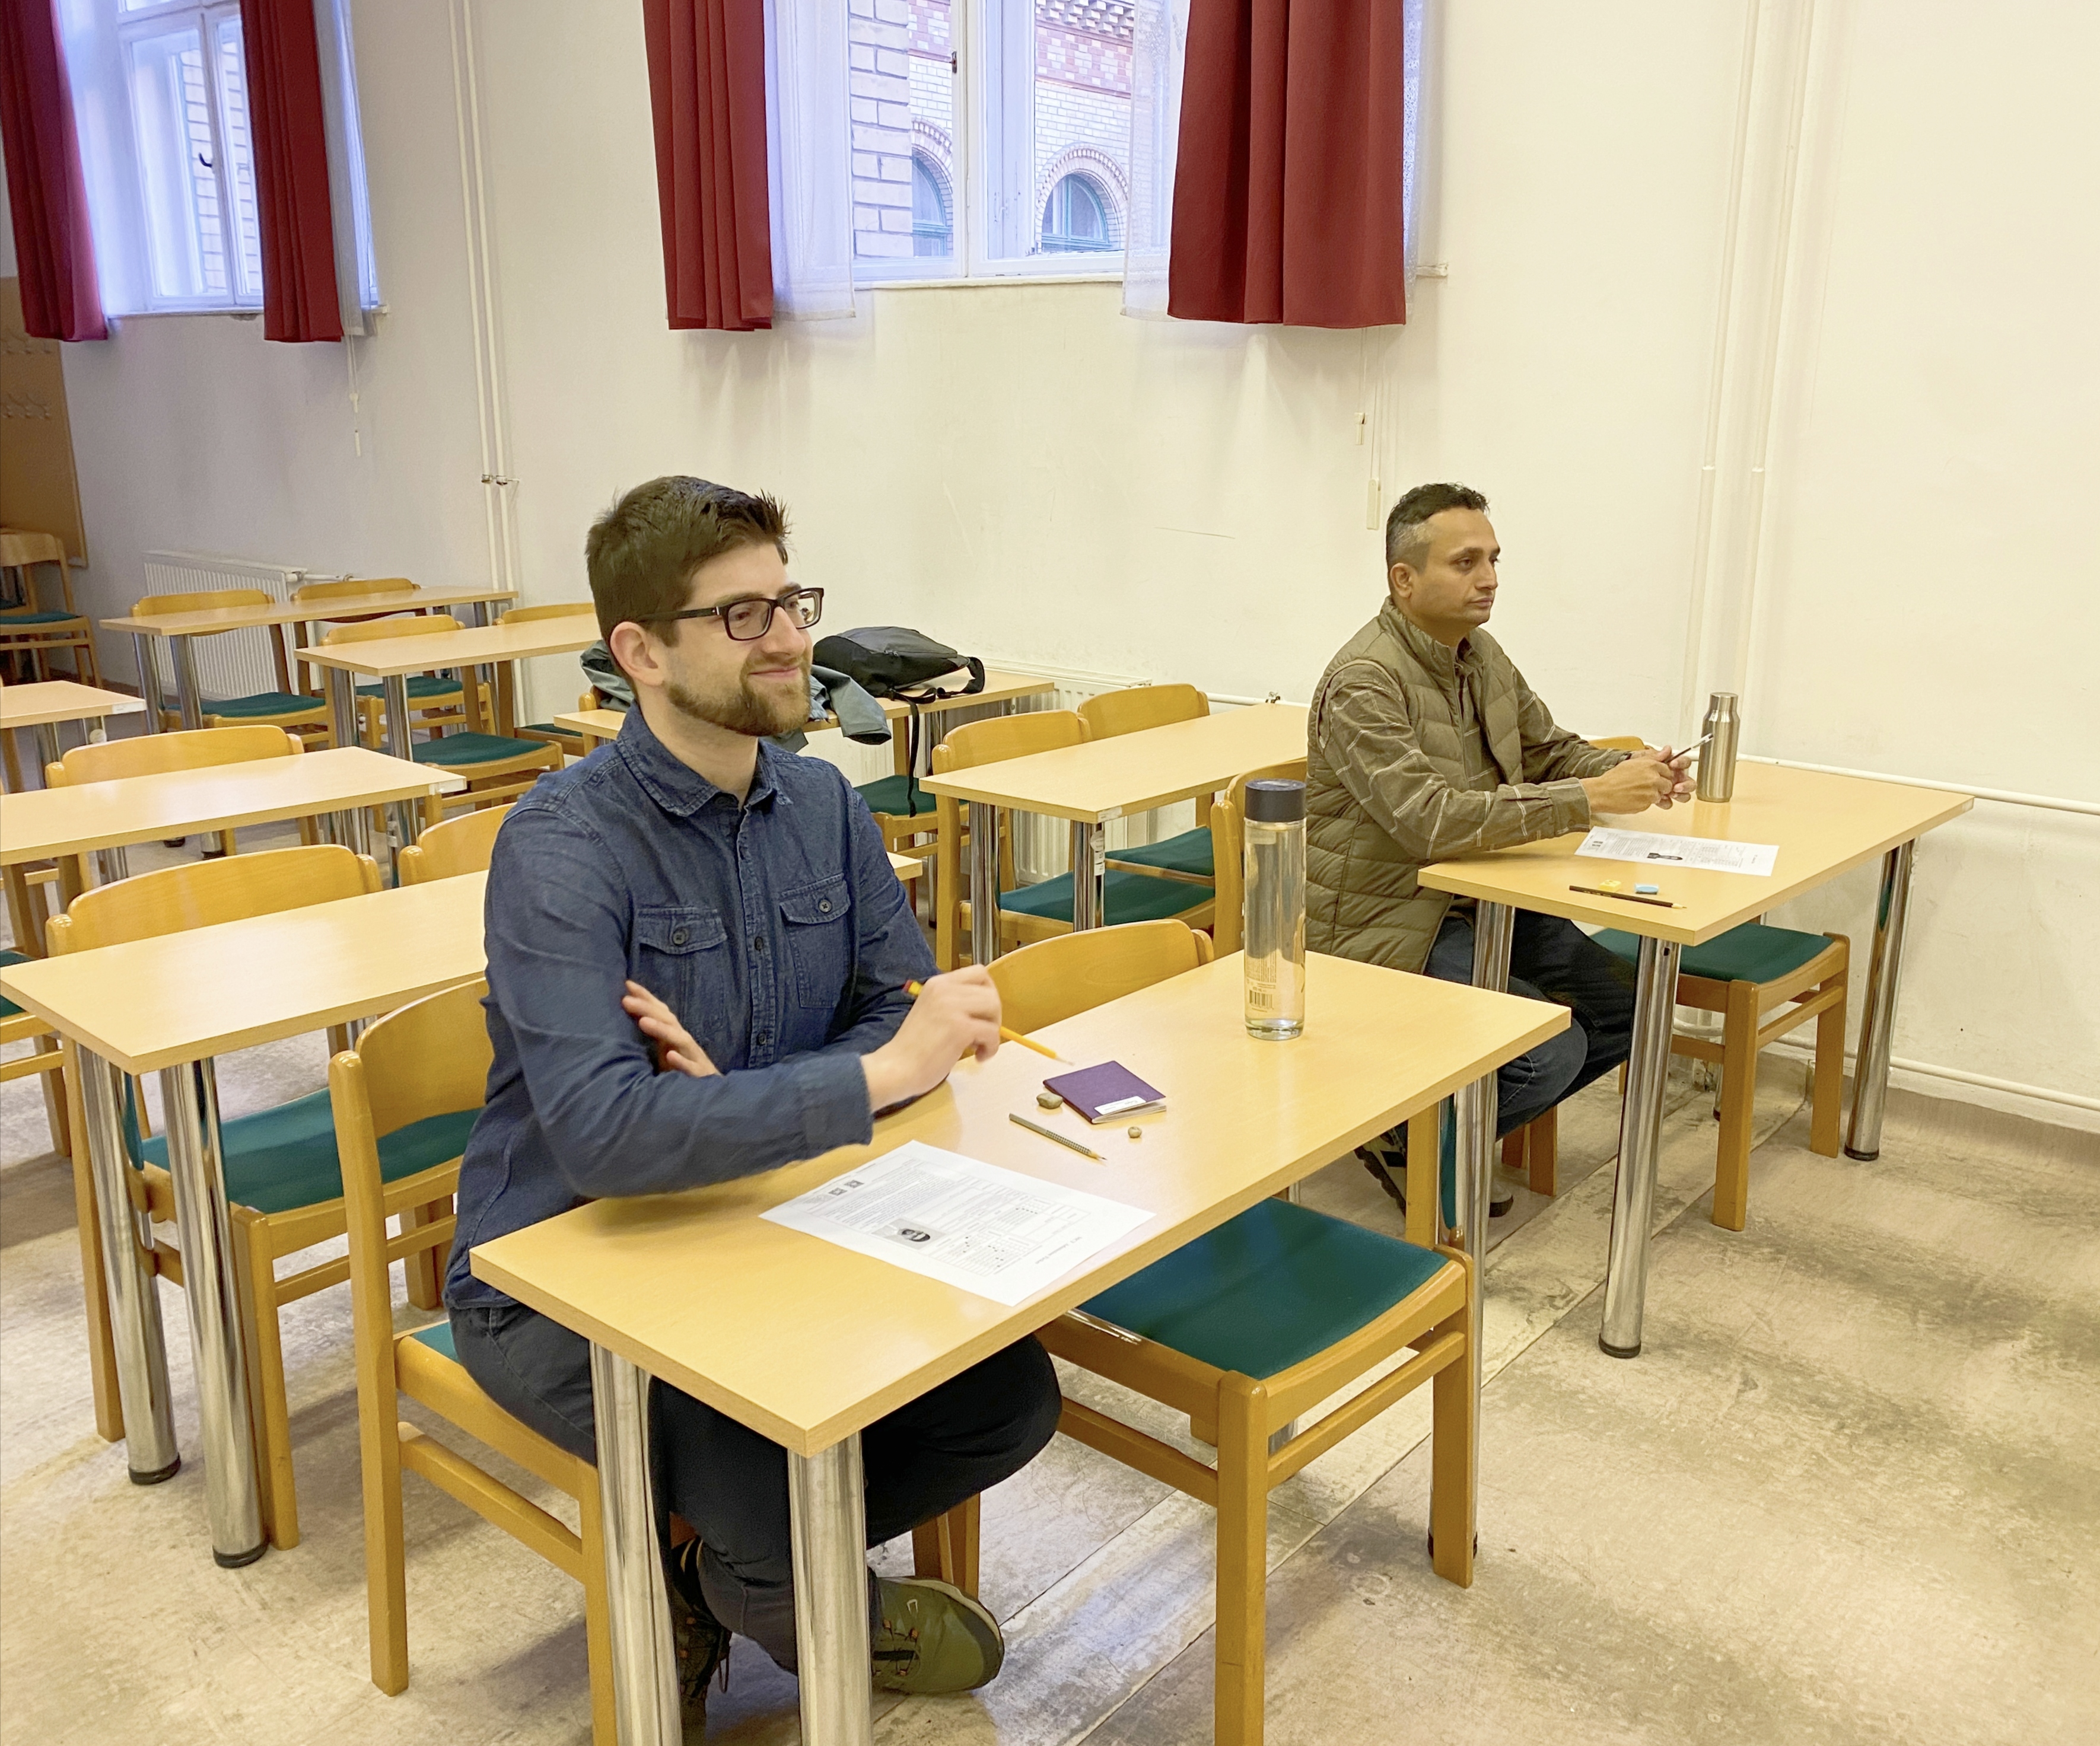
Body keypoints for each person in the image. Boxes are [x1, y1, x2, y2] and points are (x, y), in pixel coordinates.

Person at [443, 476, 1061, 1723]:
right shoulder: (562, 846)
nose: (788, 638)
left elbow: (899, 1006)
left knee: (1009, 1399)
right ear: (641, 653)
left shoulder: (821, 802)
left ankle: (714, 1573)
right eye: (742, 615)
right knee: (773, 1483)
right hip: (564, 1267)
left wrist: (743, 1101)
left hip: (764, 1211)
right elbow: (607, 1139)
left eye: (790, 601)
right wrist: (867, 1079)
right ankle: (784, 1582)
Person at [1305, 482, 1693, 1213]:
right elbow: (1428, 821)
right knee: (1546, 1051)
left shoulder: (1478, 654)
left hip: (1482, 896)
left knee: (1628, 1008)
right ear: (1404, 579)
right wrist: (1590, 799)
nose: (1488, 578)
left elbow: (1549, 750)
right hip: (1387, 920)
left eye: (1493, 559)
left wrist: (1629, 771)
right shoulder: (1364, 682)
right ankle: (1404, 1136)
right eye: (1466, 562)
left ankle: (1438, 1130)